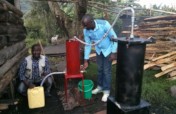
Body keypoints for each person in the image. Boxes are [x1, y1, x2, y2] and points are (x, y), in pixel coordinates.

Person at [81, 14, 118, 102]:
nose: (85, 28)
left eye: (86, 25)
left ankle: (106, 91)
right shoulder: (86, 30)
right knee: (100, 69)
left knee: (106, 71)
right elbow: (88, 45)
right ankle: (100, 87)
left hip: (108, 50)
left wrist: (113, 52)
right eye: (84, 26)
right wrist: (86, 60)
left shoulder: (104, 25)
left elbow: (115, 38)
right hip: (99, 50)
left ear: (91, 22)